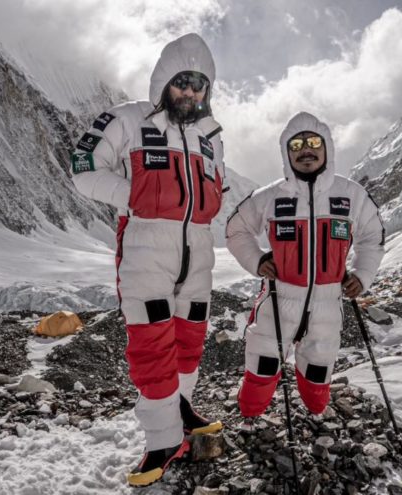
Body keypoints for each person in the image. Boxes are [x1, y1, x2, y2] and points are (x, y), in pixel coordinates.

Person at [70, 33, 224, 487]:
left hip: (198, 251)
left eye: (199, 84)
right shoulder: (128, 119)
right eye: (182, 82)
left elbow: (219, 191)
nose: (190, 92)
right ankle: (161, 440)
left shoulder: (212, 137)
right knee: (151, 343)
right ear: (165, 81)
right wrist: (131, 197)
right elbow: (82, 167)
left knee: (190, 338)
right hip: (144, 247)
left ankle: (180, 410)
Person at [225, 111, 385, 421]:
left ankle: (315, 412)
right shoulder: (271, 196)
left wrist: (363, 275)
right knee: (262, 364)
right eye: (296, 145)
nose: (306, 150)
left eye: (313, 142)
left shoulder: (350, 194)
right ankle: (249, 417)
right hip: (278, 297)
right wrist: (256, 260)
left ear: (327, 148)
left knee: (318, 370)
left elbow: (373, 236)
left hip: (328, 301)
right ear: (286, 153)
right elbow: (236, 230)